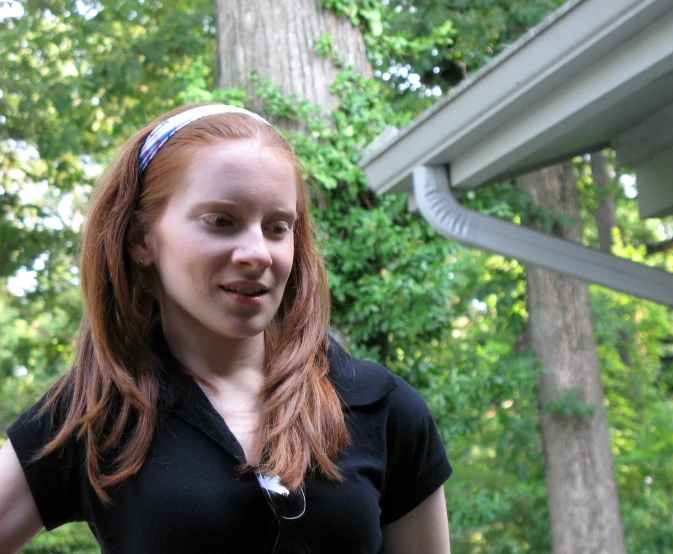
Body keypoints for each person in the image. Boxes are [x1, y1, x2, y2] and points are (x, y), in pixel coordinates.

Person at [0, 104, 452, 553]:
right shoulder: (96, 411)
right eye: (221, 222)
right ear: (141, 239)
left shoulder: (384, 409)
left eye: (277, 228)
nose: (258, 253)